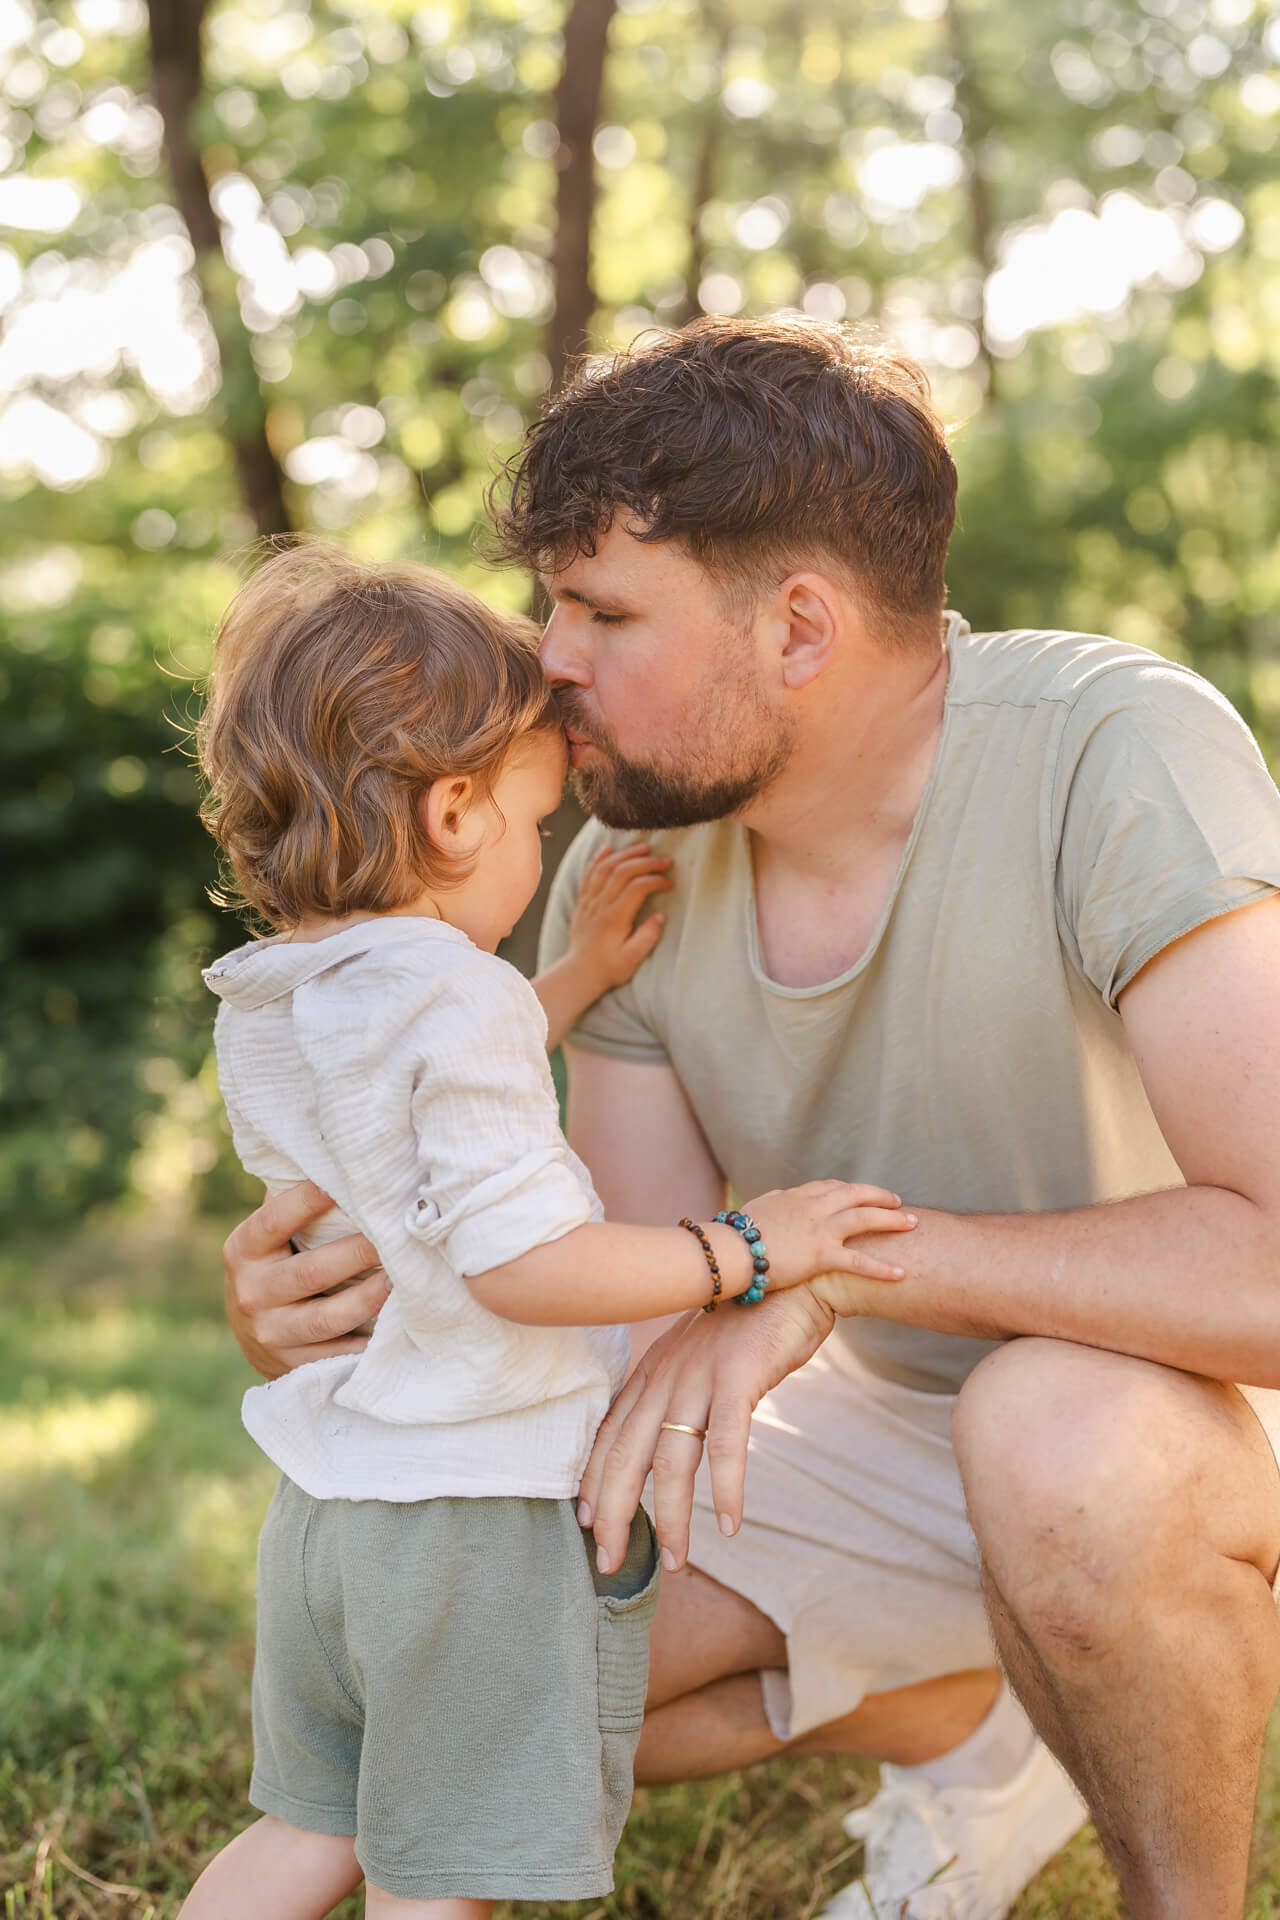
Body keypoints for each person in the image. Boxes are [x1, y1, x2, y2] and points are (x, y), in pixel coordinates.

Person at [221, 318, 1280, 1920]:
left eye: (601, 610)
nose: (548, 659)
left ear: (797, 628)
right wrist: (359, 1294)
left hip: (1171, 1402)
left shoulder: (1116, 751)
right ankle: (1004, 1728)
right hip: (874, 1416)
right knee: (525, 1631)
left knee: (1055, 1437)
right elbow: (636, 1312)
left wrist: (836, 1271)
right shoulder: (632, 869)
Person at [184, 539, 915, 1920]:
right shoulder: (451, 999)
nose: (536, 848)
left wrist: (571, 977)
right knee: (437, 1874)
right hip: (467, 1517)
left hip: (332, 1511)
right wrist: (747, 1251)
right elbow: (519, 1264)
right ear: (455, 815)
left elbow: (414, 1125)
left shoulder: (282, 992)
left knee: (309, 1830)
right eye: (530, 822)